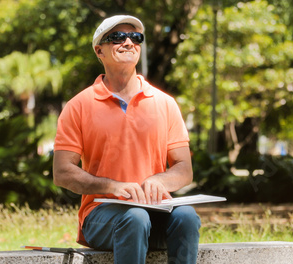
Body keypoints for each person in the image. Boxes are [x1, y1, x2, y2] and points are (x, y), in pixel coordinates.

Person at [53, 14, 201, 264]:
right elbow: (63, 172)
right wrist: (113, 187)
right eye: (117, 37)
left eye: (135, 37)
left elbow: (184, 169)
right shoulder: (79, 106)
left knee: (186, 216)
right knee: (134, 218)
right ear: (99, 51)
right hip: (102, 216)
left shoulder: (165, 103)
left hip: (156, 211)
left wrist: (159, 180)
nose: (128, 42)